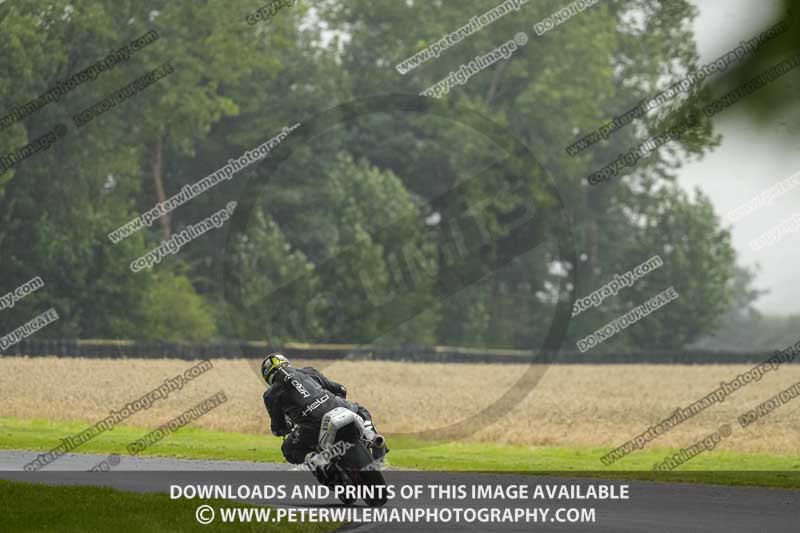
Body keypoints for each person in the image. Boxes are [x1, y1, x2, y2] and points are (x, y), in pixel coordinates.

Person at [261, 353, 382, 473]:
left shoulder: (270, 395)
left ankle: (320, 464)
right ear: (286, 362)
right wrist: (334, 400)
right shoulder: (308, 371)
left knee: (288, 450)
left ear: (268, 377)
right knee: (361, 410)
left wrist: (285, 429)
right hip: (337, 406)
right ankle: (373, 437)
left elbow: (279, 427)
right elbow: (340, 389)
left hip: (312, 427)